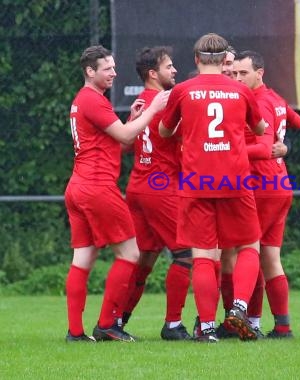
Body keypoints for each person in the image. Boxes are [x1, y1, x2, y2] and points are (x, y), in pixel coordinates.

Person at [159, 33, 267, 343]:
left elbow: (165, 130)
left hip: (197, 179)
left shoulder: (182, 90)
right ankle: (239, 308)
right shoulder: (240, 90)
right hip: (235, 178)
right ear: (223, 61)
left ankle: (206, 328)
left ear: (196, 59)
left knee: (203, 255)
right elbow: (259, 129)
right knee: (249, 246)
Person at [64, 45, 169, 342]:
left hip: (78, 186)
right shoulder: (93, 100)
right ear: (90, 71)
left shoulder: (84, 101)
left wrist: (132, 118)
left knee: (83, 259)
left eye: (113, 66)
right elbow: (124, 137)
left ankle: (75, 332)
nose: (114, 73)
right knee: (130, 253)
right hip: (97, 188)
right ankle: (108, 324)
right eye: (107, 68)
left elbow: (117, 143)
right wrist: (152, 109)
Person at [121, 46, 195, 341]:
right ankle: (173, 325)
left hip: (138, 186)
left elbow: (125, 144)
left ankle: (116, 320)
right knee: (185, 255)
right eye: (169, 66)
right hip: (160, 187)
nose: (174, 70)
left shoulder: (140, 101)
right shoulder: (165, 102)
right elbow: (187, 139)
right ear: (153, 73)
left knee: (143, 260)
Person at [232, 50, 300, 338]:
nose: (237, 78)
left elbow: (263, 148)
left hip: (261, 186)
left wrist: (227, 153)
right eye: (234, 73)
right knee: (269, 257)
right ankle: (283, 326)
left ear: (259, 73)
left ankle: (253, 320)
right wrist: (284, 144)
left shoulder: (259, 101)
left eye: (243, 73)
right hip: (280, 184)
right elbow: (296, 123)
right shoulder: (275, 98)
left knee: (248, 252)